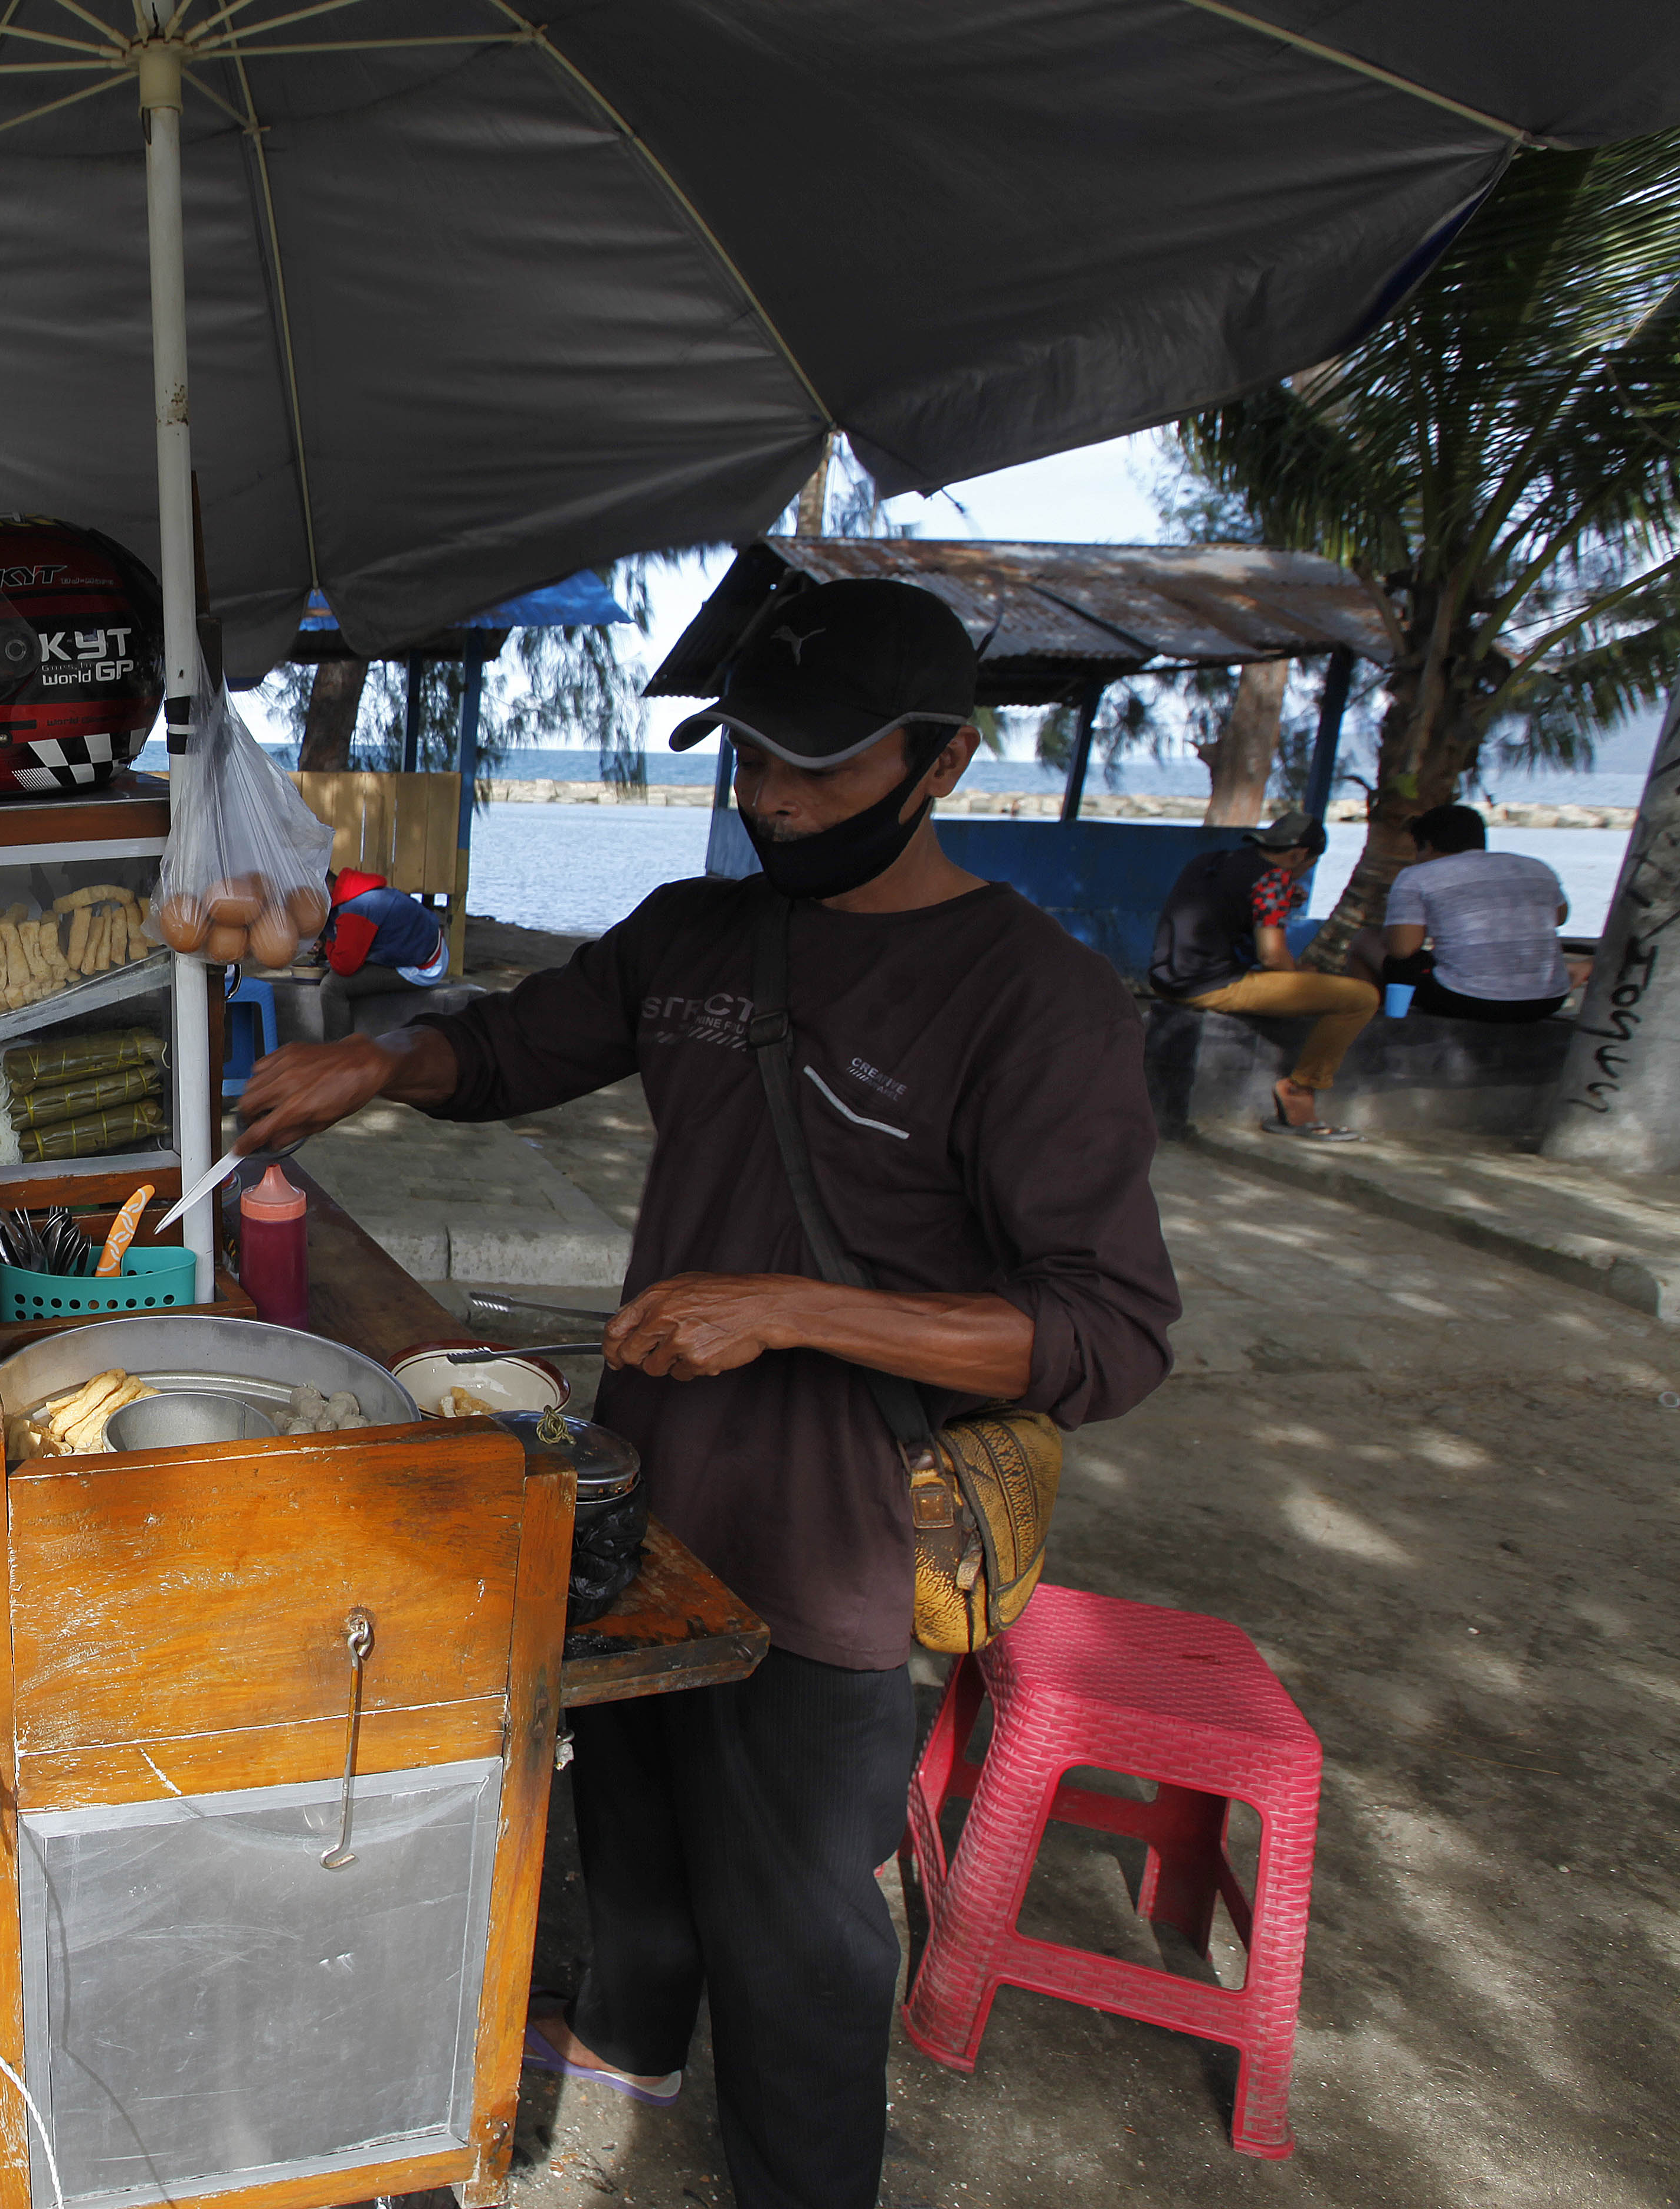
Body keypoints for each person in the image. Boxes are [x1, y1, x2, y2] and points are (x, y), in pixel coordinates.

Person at [228, 577, 1177, 2209]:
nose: (775, 797)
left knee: (798, 1907)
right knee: (641, 1798)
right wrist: (382, 1064)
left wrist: (798, 1308)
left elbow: (1108, 1335)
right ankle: (628, 2043)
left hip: (844, 1527)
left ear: (942, 764)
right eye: (749, 756)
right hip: (655, 1475)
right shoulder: (698, 931)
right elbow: (516, 1050)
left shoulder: (1038, 1001)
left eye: (822, 766)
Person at [1149, 811, 1376, 1140]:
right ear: (1299, 854)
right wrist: (1298, 976)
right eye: (1310, 863)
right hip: (1210, 987)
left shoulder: (1212, 861)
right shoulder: (1273, 879)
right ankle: (1299, 1091)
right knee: (1360, 998)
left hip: (1167, 978)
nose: (1306, 871)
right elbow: (1272, 956)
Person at [1384, 803, 1572, 1022]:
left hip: (1469, 999)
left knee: (1372, 947)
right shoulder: (1537, 867)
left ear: (1427, 845)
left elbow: (1403, 949)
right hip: (1548, 1000)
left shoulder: (1416, 876)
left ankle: (1369, 1024)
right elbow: (1559, 918)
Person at [322, 867, 449, 994]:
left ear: (324, 887)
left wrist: (329, 946)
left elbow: (344, 966)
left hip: (425, 967)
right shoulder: (352, 891)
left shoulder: (355, 910)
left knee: (332, 985)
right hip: (427, 948)